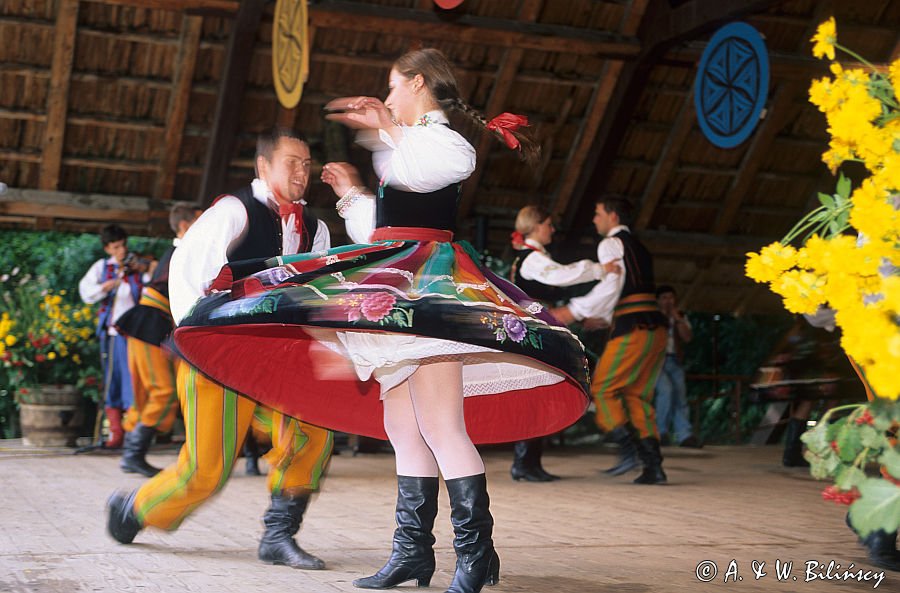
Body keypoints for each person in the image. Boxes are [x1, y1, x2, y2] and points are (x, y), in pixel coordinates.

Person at [170, 49, 590, 593]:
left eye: (393, 87)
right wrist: (352, 194)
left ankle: (476, 556)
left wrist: (388, 127)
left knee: (441, 425)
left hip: (431, 293)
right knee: (402, 427)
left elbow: (444, 168)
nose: (387, 97)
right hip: (395, 288)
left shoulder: (444, 141)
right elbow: (386, 234)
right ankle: (412, 554)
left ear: (417, 84)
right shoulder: (405, 144)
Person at [106, 128, 335, 571]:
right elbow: (190, 275)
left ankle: (278, 535)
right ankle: (135, 509)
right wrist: (200, 339)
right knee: (205, 474)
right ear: (263, 166)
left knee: (314, 431)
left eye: (307, 164)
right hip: (217, 358)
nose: (301, 172)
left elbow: (316, 295)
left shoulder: (317, 229)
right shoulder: (234, 212)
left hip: (274, 362)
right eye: (291, 162)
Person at [551, 196, 669, 485]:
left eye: (598, 213)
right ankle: (653, 466)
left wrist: (574, 310)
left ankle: (627, 450)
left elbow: (612, 285)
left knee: (603, 388)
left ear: (613, 216)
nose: (595, 219)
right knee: (636, 395)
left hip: (632, 328)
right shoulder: (640, 247)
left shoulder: (610, 244)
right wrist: (601, 318)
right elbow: (627, 290)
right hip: (656, 330)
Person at [507, 205, 616, 482]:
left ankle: (529, 462)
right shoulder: (531, 259)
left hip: (537, 330)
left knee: (538, 391)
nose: (552, 230)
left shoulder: (531, 257)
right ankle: (525, 462)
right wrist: (599, 269)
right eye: (548, 224)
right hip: (535, 333)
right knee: (536, 391)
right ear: (535, 226)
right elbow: (560, 275)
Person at [114, 203, 202, 476]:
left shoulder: (177, 252)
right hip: (150, 321)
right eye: (200, 221)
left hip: (152, 322)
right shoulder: (182, 252)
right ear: (185, 226)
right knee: (161, 391)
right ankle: (133, 453)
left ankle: (133, 452)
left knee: (153, 390)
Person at [78, 224, 152, 449]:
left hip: (135, 334)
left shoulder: (137, 265)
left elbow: (151, 286)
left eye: (124, 245)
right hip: (112, 333)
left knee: (134, 380)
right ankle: (115, 433)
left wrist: (142, 269)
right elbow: (86, 291)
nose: (122, 250)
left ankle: (132, 433)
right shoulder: (102, 267)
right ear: (108, 248)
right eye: (116, 246)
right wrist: (105, 286)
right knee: (112, 380)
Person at [653, 285, 701, 449]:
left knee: (680, 396)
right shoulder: (652, 317)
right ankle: (660, 432)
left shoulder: (680, 316)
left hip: (674, 360)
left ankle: (684, 435)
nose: (668, 301)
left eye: (671, 298)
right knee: (666, 390)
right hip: (655, 362)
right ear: (658, 301)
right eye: (664, 298)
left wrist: (676, 318)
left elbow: (687, 337)